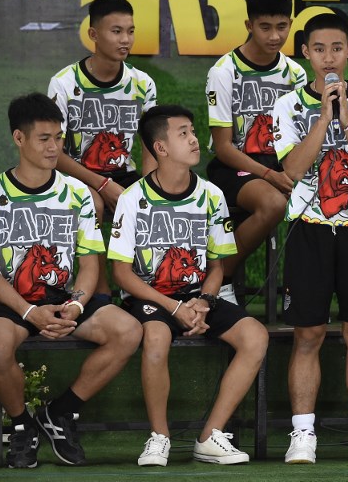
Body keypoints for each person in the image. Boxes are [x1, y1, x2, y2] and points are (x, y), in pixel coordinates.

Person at [0, 93, 142, 468]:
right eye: (44, 138)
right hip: (10, 300)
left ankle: (58, 413)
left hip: (65, 298)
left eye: (59, 138)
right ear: (19, 138)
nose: (54, 147)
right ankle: (23, 426)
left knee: (128, 331)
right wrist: (30, 312)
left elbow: (90, 263)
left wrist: (76, 304)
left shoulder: (78, 192)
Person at [108, 105, 269, 466]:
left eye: (193, 131)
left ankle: (210, 436)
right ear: (160, 148)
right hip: (149, 297)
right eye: (183, 133)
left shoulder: (212, 194)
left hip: (197, 297)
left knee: (255, 336)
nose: (195, 139)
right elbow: (121, 273)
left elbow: (217, 265)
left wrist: (205, 302)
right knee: (157, 336)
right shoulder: (133, 198)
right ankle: (159, 437)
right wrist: (174, 307)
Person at [272, 12, 348, 464]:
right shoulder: (286, 106)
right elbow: (291, 170)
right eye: (320, 49)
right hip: (309, 230)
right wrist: (323, 117)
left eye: (338, 48)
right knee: (308, 334)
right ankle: (302, 434)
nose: (329, 57)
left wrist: (346, 119)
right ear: (304, 52)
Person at [48, 0, 158, 299]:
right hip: (76, 175)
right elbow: (54, 152)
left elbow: (150, 142)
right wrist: (103, 185)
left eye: (131, 31)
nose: (126, 39)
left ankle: (139, 287)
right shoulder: (64, 83)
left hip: (123, 174)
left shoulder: (142, 83)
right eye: (116, 31)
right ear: (93, 34)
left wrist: (148, 187)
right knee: (93, 204)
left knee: (151, 201)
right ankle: (96, 290)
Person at [205, 0, 307, 303]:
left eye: (281, 27)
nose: (274, 36)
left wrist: (292, 173)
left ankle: (298, 288)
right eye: (265, 27)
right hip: (235, 166)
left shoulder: (296, 74)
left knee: (325, 196)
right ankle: (221, 276)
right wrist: (267, 175)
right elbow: (223, 147)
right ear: (249, 26)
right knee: (275, 203)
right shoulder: (224, 71)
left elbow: (301, 140)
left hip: (283, 166)